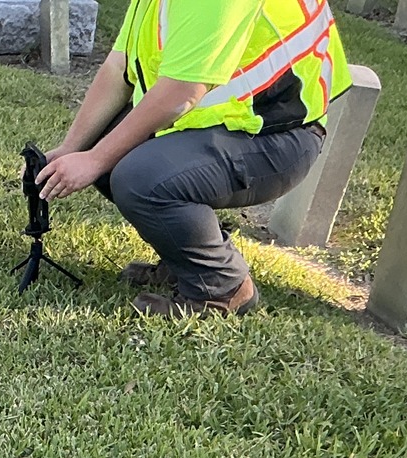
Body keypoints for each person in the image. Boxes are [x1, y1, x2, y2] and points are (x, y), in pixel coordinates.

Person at [36, 0, 352, 317]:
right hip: (226, 123)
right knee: (110, 145)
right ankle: (186, 260)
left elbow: (181, 93)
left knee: (140, 177)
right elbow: (119, 65)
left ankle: (221, 287)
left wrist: (94, 160)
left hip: (276, 136)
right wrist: (74, 148)